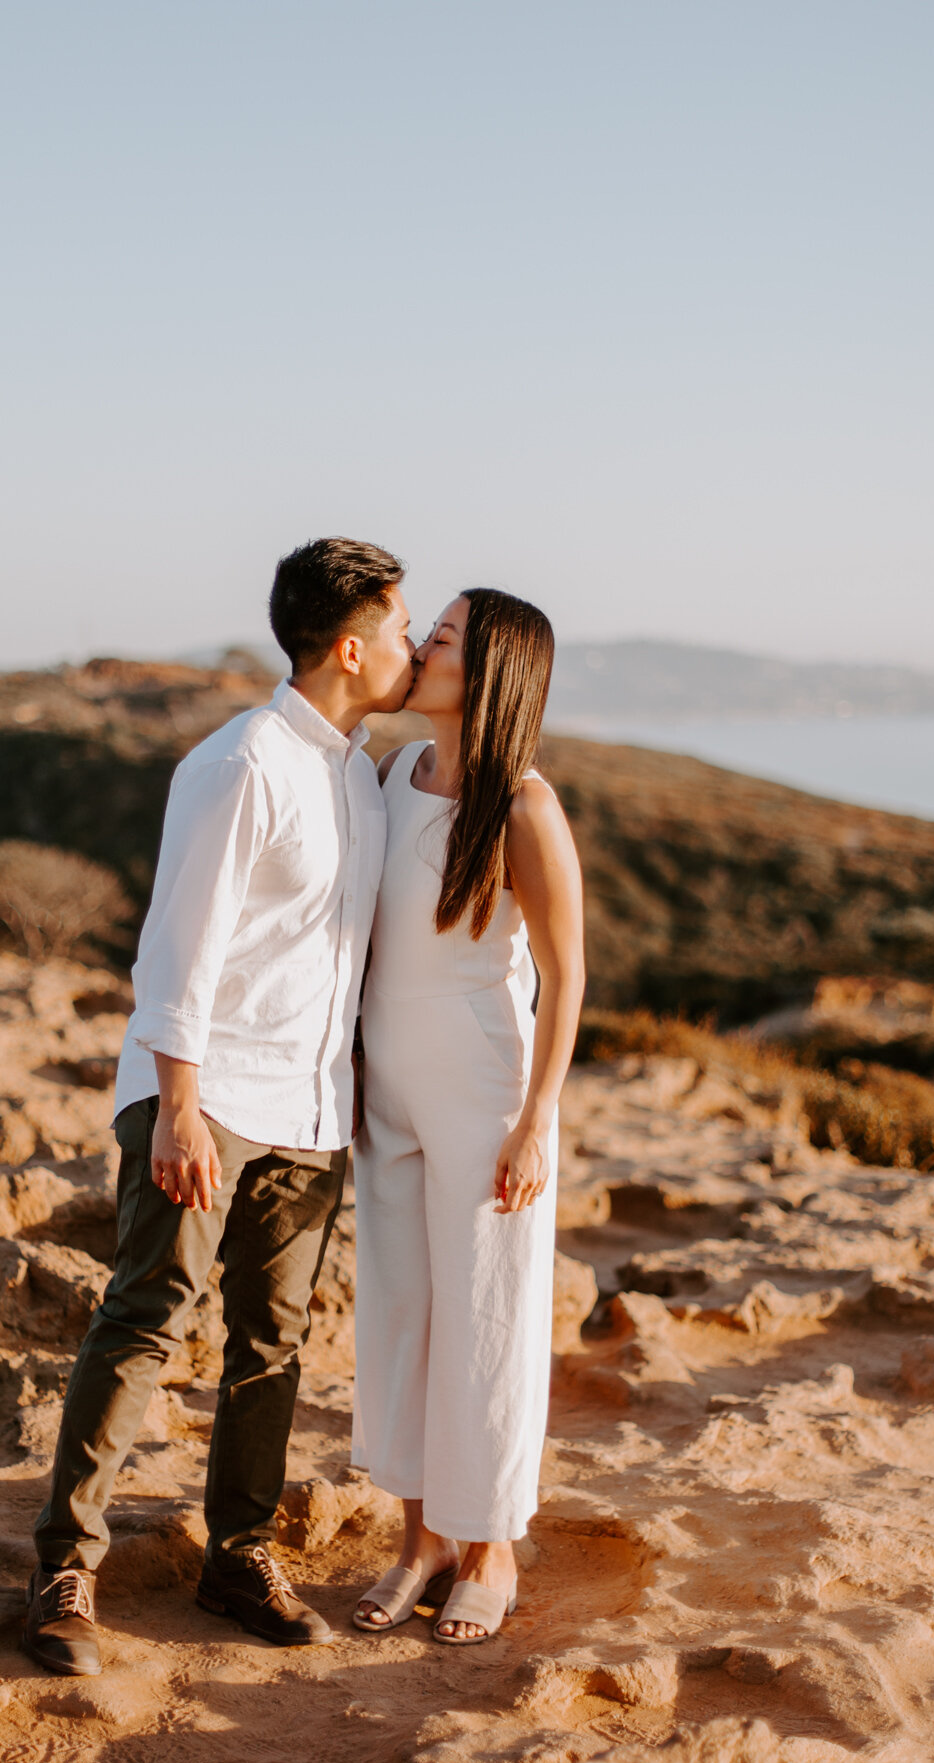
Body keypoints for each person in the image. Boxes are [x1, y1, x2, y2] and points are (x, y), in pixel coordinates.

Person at [24, 537, 415, 1675]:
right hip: (204, 1093)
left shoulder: (358, 770)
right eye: (399, 627)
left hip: (310, 1105)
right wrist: (181, 1107)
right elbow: (177, 945)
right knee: (145, 1314)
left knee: (271, 1341)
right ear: (350, 645)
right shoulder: (240, 761)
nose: (407, 644)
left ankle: (237, 1554)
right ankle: (64, 1563)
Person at [351, 588, 584, 1644]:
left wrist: (537, 1118)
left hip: (486, 1094)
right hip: (385, 1084)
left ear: (488, 670)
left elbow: (566, 974)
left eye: (441, 637)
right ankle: (420, 1540)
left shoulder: (525, 803)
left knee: (488, 1312)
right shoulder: (395, 772)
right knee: (401, 1309)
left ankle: (488, 1546)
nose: (424, 648)